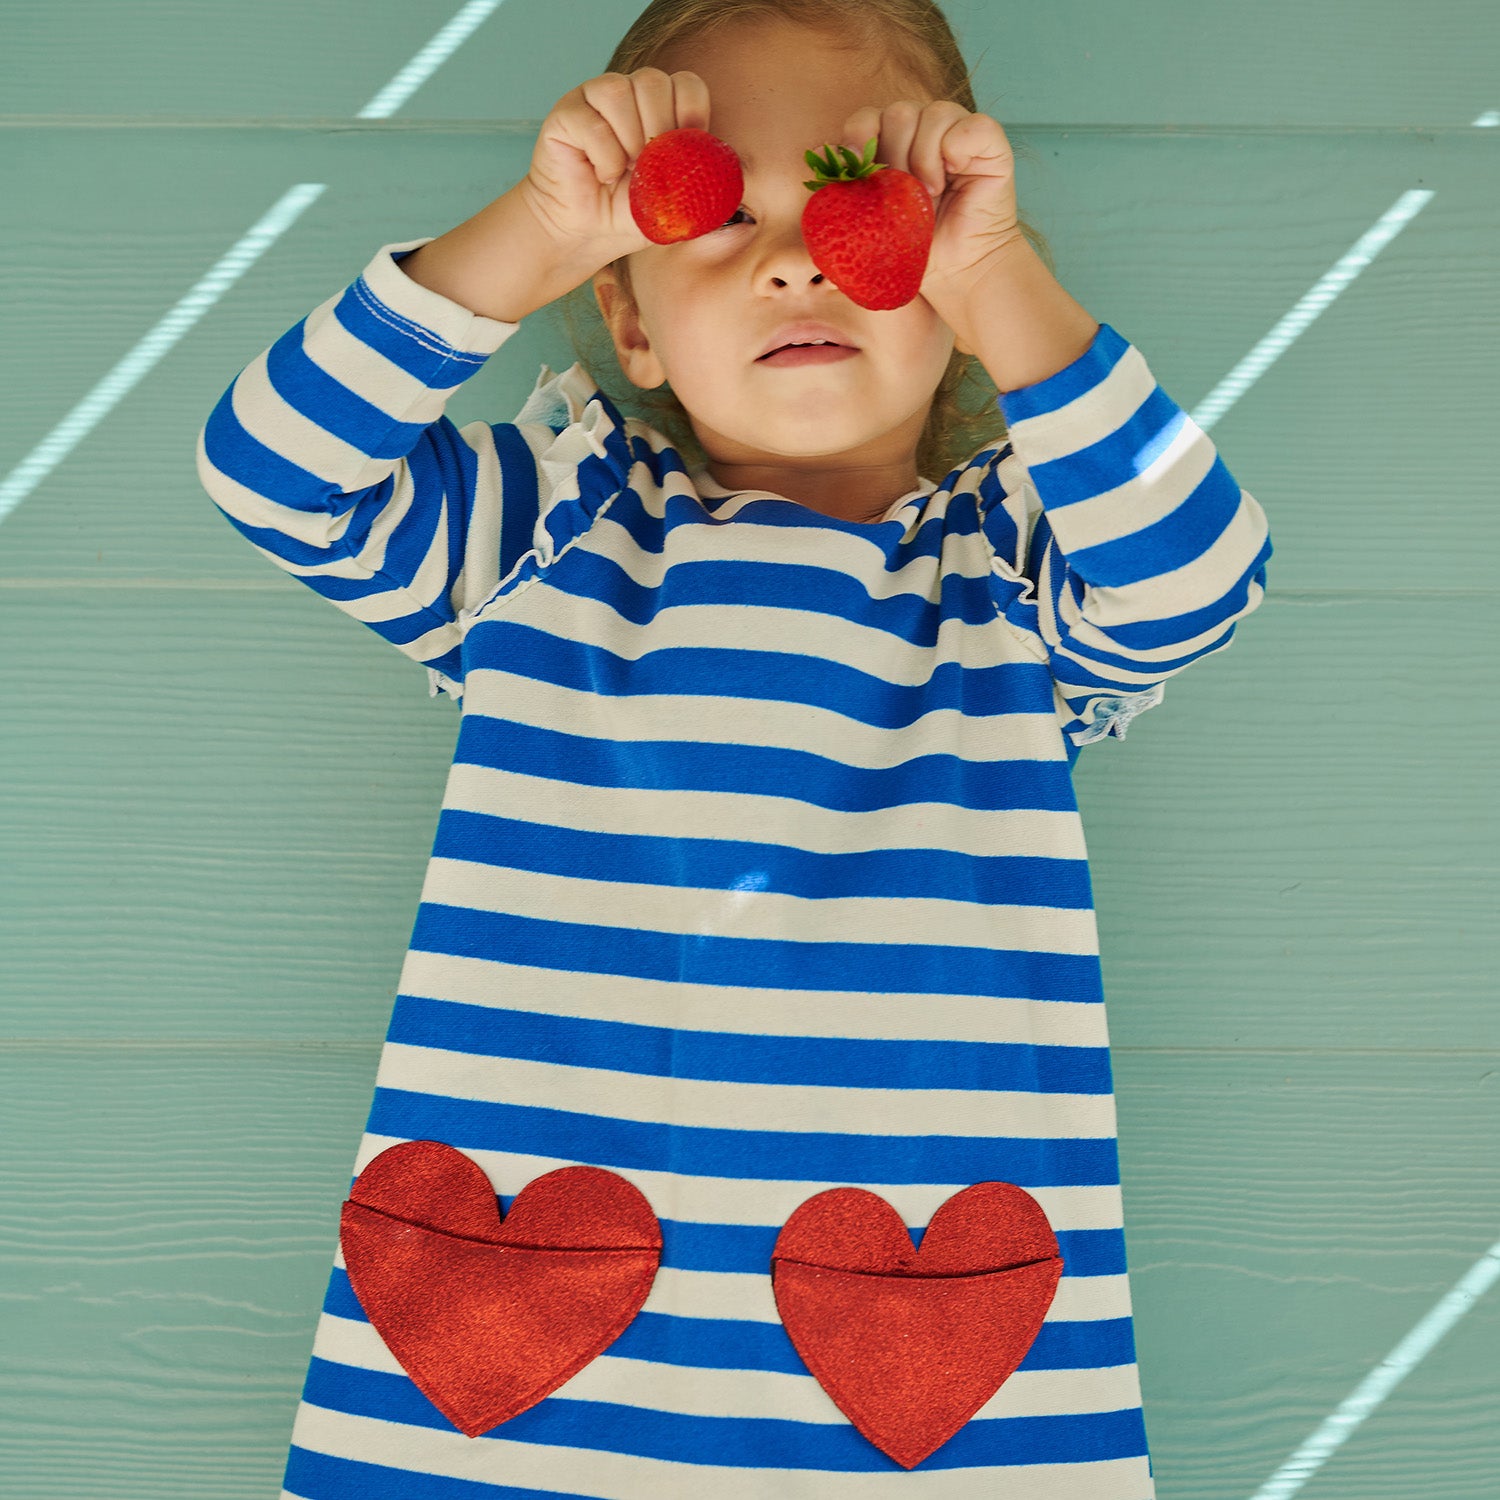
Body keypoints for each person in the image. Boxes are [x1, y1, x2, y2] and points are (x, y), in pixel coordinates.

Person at [194, 1, 1272, 1494]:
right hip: (525, 1284)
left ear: (950, 300)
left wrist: (995, 267)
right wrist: (537, 231)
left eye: (850, 204)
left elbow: (1200, 576)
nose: (791, 256)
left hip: (904, 1318)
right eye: (716, 218)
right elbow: (272, 469)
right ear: (628, 320)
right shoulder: (554, 532)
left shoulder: (1009, 575)